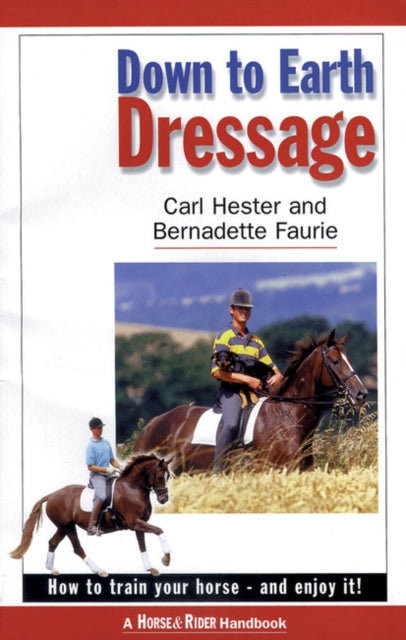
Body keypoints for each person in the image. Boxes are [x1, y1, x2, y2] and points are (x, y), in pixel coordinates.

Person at [211, 288, 283, 472]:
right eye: (240, 308)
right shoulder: (224, 337)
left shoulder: (256, 341)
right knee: (231, 423)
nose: (244, 311)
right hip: (231, 391)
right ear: (231, 310)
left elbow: (273, 368)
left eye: (247, 309)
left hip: (255, 391)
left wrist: (278, 376)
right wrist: (248, 380)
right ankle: (217, 469)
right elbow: (217, 372)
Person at [85, 417, 122, 535]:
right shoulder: (90, 446)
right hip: (97, 475)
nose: (101, 429)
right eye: (98, 428)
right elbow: (90, 466)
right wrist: (106, 469)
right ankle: (91, 526)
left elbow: (112, 460)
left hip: (108, 474)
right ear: (92, 429)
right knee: (101, 496)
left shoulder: (106, 443)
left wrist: (121, 467)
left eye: (101, 427)